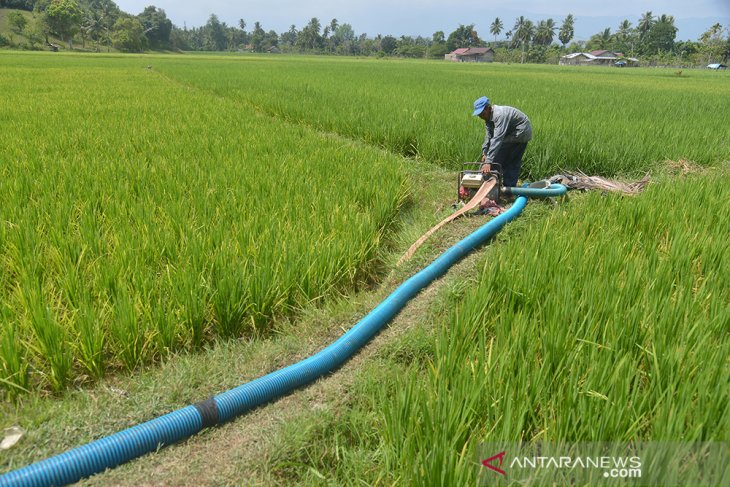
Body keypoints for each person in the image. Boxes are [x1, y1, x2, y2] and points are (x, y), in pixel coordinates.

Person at [472, 96, 532, 188]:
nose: (480, 116)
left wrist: (488, 162)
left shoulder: (499, 115)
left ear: (488, 108)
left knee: (511, 160)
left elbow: (497, 138)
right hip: (509, 133)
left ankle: (508, 188)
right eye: (478, 114)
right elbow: (488, 136)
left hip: (521, 132)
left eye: (481, 113)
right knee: (497, 156)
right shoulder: (487, 118)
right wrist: (485, 152)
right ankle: (493, 184)